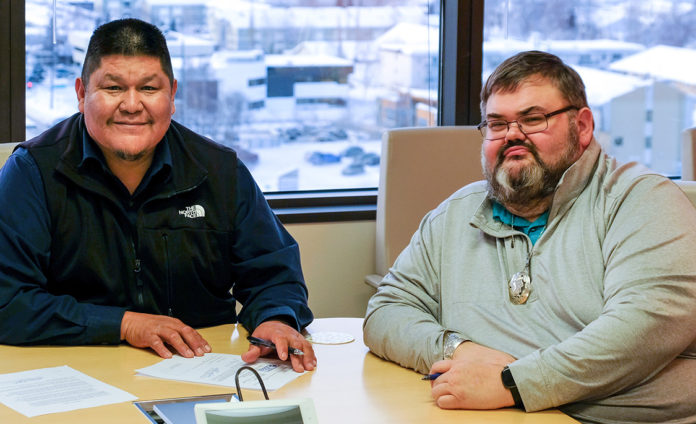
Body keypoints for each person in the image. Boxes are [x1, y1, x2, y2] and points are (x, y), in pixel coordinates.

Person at [363, 50, 696, 422]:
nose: (513, 136)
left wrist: (511, 383)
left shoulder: (640, 200)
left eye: (533, 119)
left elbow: (645, 327)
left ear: (582, 126)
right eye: (497, 124)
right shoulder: (456, 212)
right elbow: (386, 311)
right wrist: (457, 349)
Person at [0, 18, 316, 373]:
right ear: (81, 94)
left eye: (149, 89)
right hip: (73, 374)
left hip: (199, 374)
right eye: (113, 88)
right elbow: (8, 301)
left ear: (172, 95)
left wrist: (276, 319)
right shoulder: (33, 173)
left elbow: (274, 274)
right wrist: (125, 324)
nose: (132, 105)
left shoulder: (219, 171)